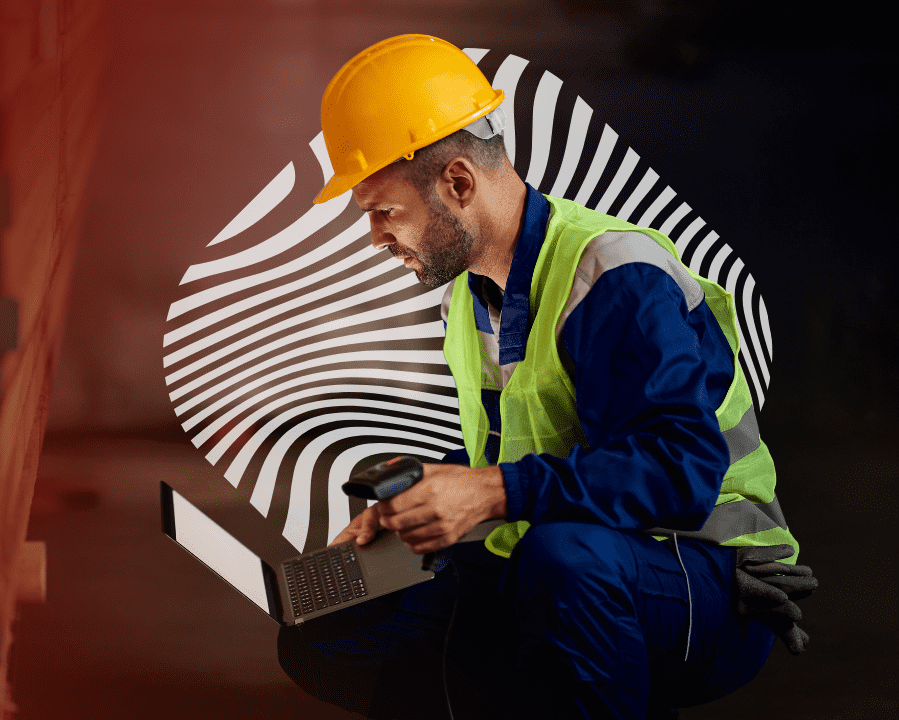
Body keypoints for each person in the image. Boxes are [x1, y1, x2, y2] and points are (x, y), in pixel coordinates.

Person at [276, 34, 816, 719]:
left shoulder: (615, 278)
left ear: (458, 184)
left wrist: (491, 491)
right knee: (331, 623)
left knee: (565, 565)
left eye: (382, 211)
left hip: (701, 573)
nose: (376, 237)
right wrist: (422, 498)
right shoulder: (472, 292)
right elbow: (521, 447)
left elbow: (679, 470)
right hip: (564, 553)